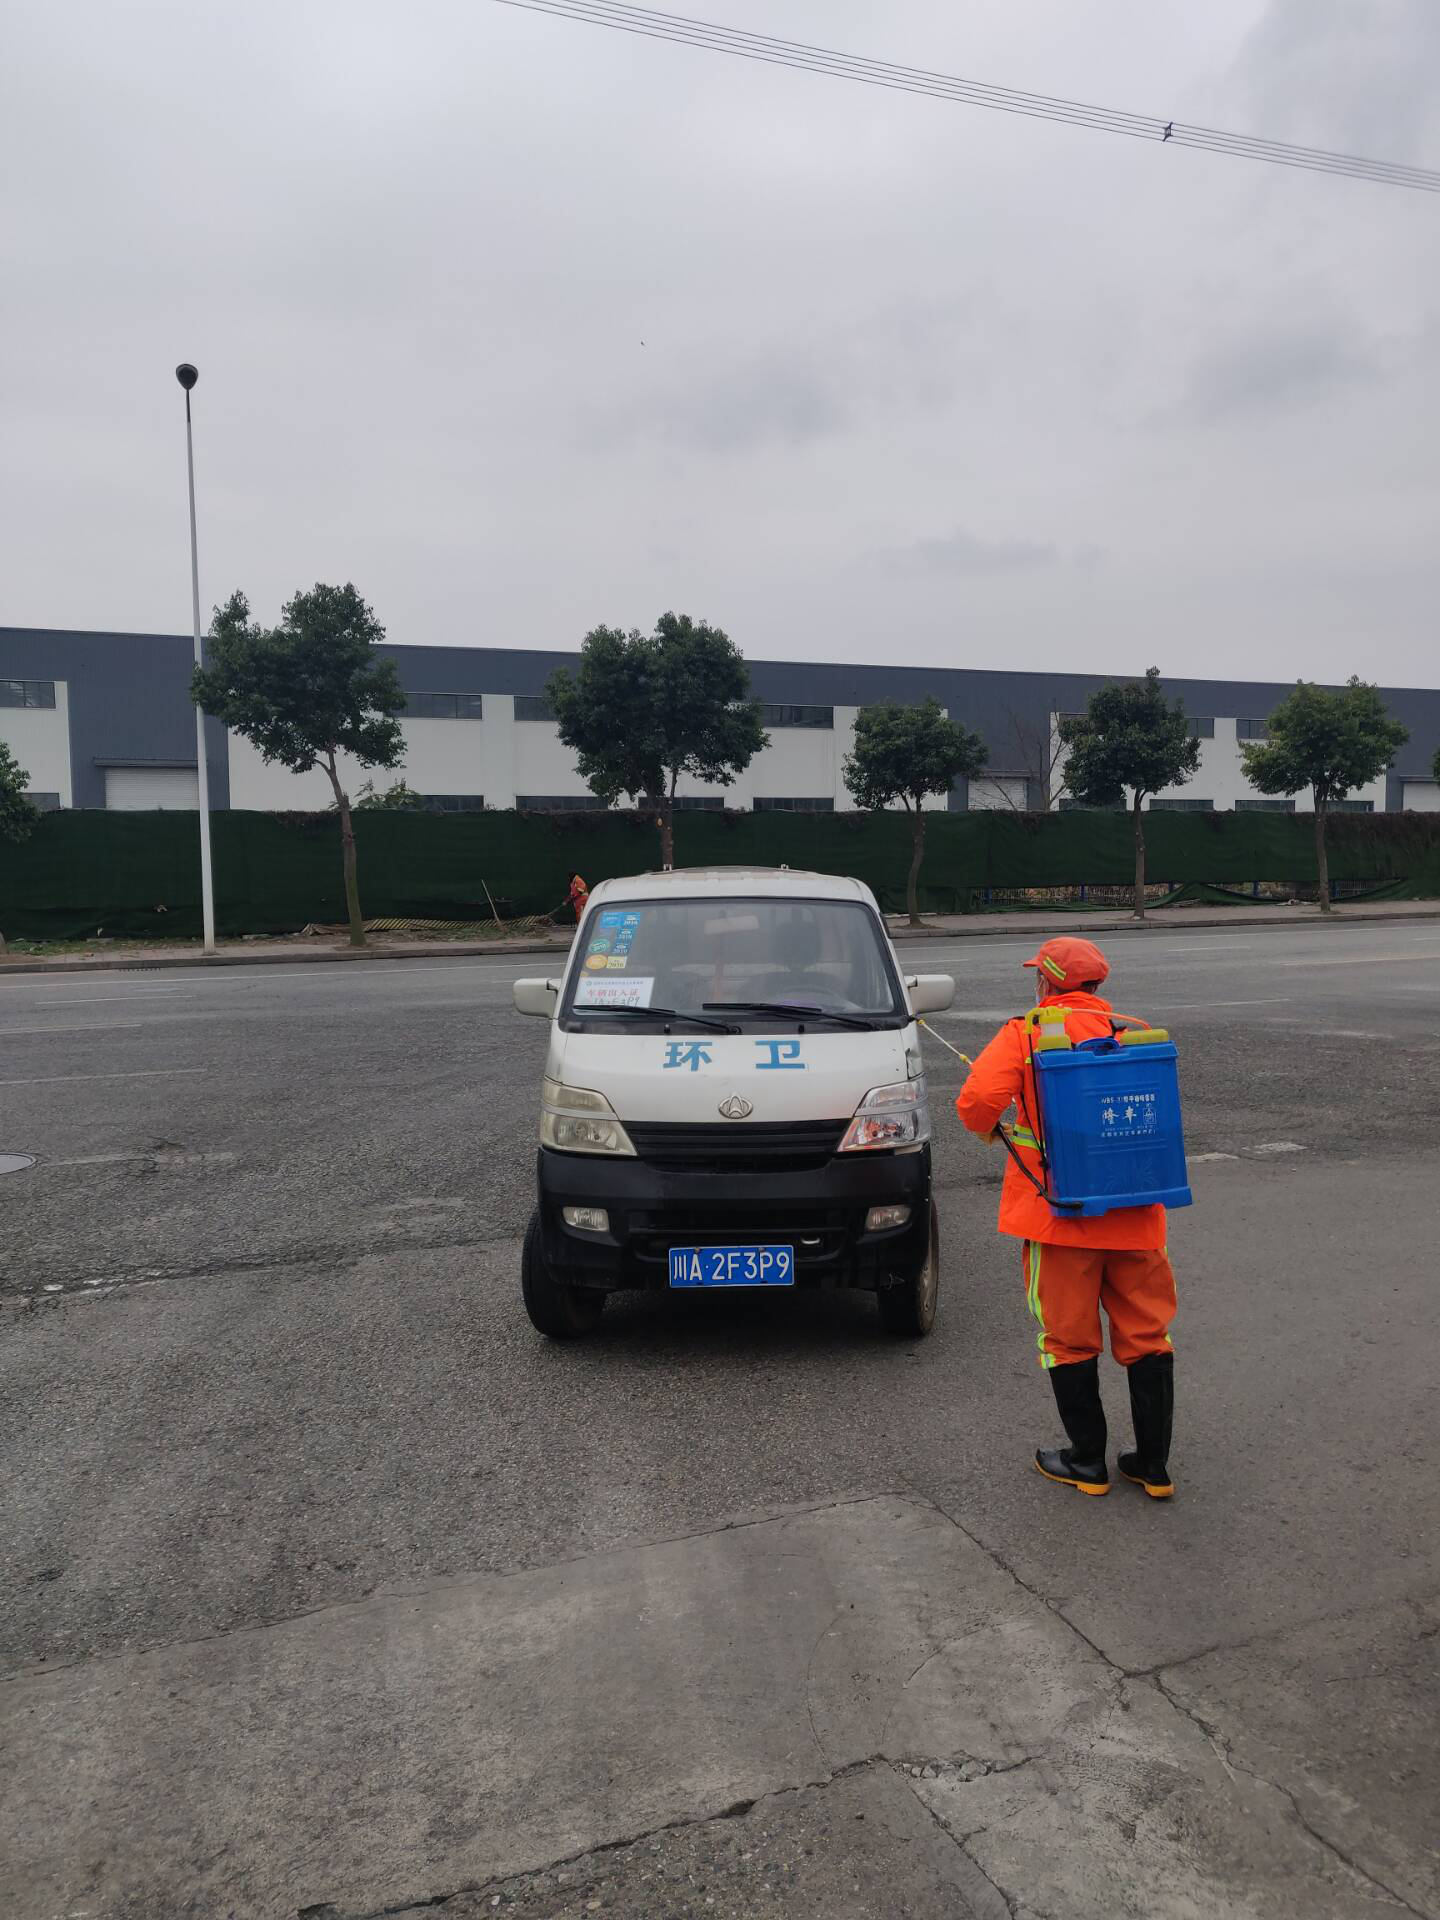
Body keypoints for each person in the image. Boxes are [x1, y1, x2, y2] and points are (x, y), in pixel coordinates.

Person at [955, 936, 1177, 1500]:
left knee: (1068, 1340)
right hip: (1135, 1215)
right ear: (1096, 986)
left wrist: (991, 1131)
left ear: (1046, 982)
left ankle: (1086, 1462)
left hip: (1060, 1220)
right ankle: (1153, 1468)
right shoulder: (1130, 1035)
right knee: (1148, 1336)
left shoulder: (1026, 1033)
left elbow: (978, 1102)